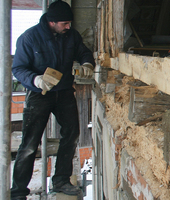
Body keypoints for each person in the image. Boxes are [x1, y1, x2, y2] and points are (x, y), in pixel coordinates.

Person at [10, 0, 95, 199]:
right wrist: (36, 79)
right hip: (39, 94)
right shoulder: (29, 38)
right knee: (30, 144)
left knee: (72, 133)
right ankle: (19, 192)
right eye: (64, 23)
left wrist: (87, 64)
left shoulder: (71, 35)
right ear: (52, 22)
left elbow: (83, 52)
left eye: (69, 23)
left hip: (64, 91)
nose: (68, 27)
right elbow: (18, 68)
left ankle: (61, 180)